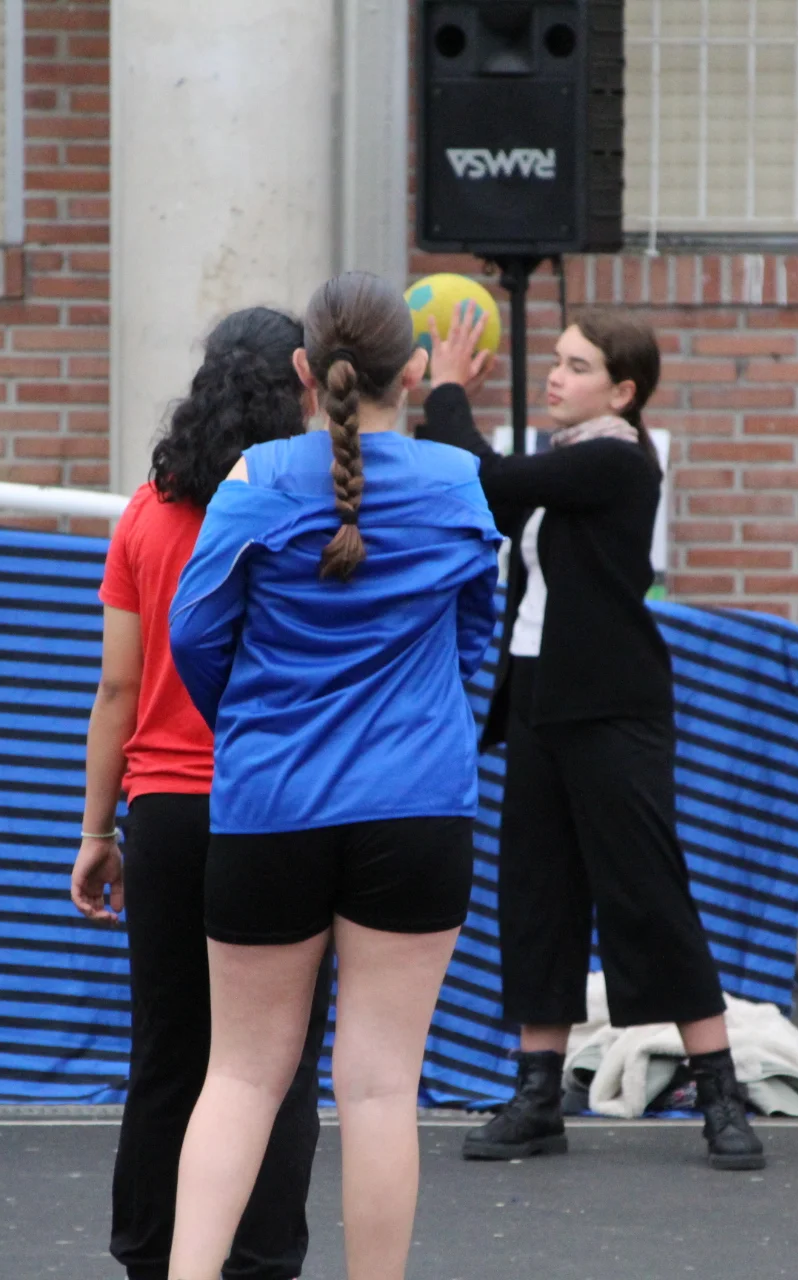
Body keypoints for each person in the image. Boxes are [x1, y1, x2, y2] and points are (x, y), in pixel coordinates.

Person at [163, 272, 499, 1280]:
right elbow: (475, 638)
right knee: (383, 1088)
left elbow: (194, 631)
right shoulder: (457, 482)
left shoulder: (256, 477)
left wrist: (254, 725)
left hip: (272, 798)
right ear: (417, 370)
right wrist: (425, 726)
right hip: (416, 802)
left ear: (306, 371)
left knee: (239, 1077)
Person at [420, 303, 765, 1172]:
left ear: (623, 391)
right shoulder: (567, 463)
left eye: (578, 366)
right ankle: (537, 1096)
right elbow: (492, 497)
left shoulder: (616, 459)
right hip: (539, 697)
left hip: (612, 705)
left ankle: (720, 1094)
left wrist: (449, 392)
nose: (555, 375)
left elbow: (487, 479)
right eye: (557, 359)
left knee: (648, 892)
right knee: (538, 893)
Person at [69, 307, 329, 1280]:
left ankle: (152, 1255)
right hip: (277, 806)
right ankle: (260, 1258)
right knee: (277, 1059)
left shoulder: (149, 510)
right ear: (303, 385)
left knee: (169, 1051)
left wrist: (97, 830)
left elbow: (117, 690)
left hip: (168, 814)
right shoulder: (312, 506)